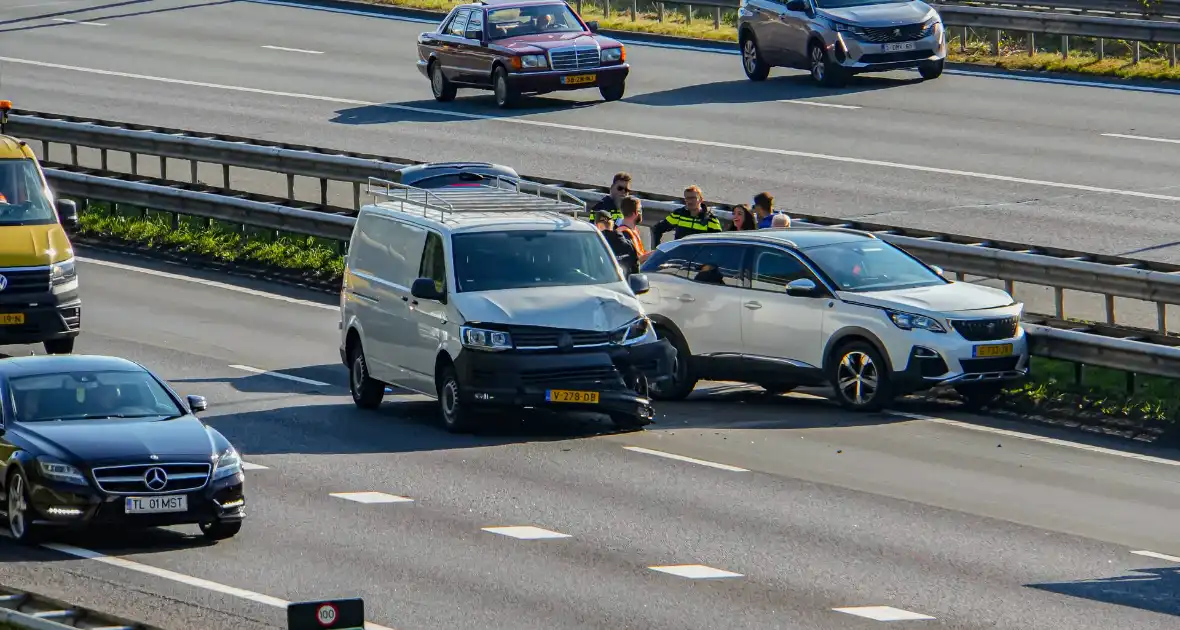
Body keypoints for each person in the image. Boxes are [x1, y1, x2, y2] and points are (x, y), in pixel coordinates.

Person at [650, 184, 723, 244]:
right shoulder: (678, 215)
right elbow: (657, 229)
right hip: (680, 257)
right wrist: (657, 251)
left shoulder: (711, 219)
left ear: (701, 199)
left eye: (693, 198)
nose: (689, 201)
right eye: (687, 198)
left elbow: (719, 243)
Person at [593, 210, 639, 275]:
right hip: (626, 284)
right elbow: (636, 273)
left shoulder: (595, 245)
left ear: (597, 226)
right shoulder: (629, 244)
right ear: (612, 225)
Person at [614, 195, 652, 263]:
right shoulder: (624, 234)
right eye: (640, 210)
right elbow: (635, 260)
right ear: (635, 213)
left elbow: (640, 254)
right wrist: (655, 253)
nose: (641, 213)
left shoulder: (632, 230)